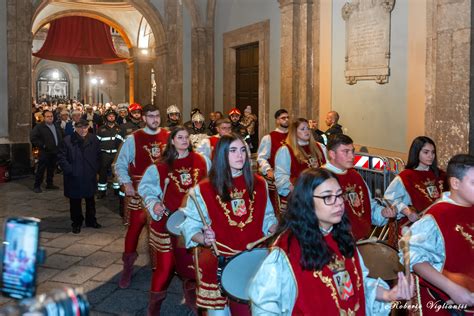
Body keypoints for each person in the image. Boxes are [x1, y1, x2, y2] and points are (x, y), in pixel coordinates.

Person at [249, 168, 414, 315]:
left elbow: (359, 284)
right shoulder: (285, 250)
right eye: (328, 197)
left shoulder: (343, 237)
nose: (339, 203)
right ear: (307, 202)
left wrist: (388, 295)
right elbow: (266, 307)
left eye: (339, 195)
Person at [180, 133, 278, 315]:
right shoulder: (202, 189)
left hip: (252, 262)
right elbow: (189, 225)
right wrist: (203, 238)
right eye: (233, 151)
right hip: (218, 262)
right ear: (222, 155)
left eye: (243, 150)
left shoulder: (259, 183)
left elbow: (268, 216)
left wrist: (273, 227)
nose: (240, 155)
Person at [138, 126, 210, 315]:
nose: (184, 140)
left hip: (196, 222)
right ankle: (154, 306)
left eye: (187, 137)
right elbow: (146, 189)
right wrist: (154, 203)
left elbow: (211, 186)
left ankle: (191, 292)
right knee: (165, 268)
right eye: (180, 137)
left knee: (195, 264)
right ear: (172, 141)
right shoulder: (160, 166)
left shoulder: (202, 161)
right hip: (168, 224)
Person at [404, 154, 474, 315]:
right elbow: (413, 257)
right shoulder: (436, 216)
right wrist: (452, 288)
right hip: (449, 304)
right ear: (455, 183)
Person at [114, 104, 170, 289]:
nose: (155, 119)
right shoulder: (133, 138)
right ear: (144, 118)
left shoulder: (169, 136)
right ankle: (128, 266)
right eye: (151, 116)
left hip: (163, 192)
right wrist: (127, 183)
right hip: (139, 192)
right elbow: (120, 163)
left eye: (157, 115)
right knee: (134, 229)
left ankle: (162, 267)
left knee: (162, 230)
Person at [323, 134, 396, 240]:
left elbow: (369, 206)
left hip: (360, 241)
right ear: (332, 154)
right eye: (346, 151)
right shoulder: (320, 177)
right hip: (334, 243)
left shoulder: (355, 176)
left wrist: (383, 213)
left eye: (352, 151)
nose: (352, 156)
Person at [384, 136, 447, 224]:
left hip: (439, 222)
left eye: (433, 152)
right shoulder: (406, 176)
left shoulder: (441, 175)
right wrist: (408, 212)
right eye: (426, 152)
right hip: (415, 226)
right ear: (416, 153)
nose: (430, 156)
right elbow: (390, 199)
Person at [58, 119, 101, 234]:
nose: (83, 130)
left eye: (85, 127)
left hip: (89, 173)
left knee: (90, 199)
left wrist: (95, 168)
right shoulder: (67, 140)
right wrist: (70, 170)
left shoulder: (93, 139)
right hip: (74, 175)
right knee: (75, 201)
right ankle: (76, 222)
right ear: (75, 128)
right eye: (80, 127)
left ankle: (91, 220)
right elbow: (61, 157)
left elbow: (98, 155)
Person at [274, 118, 326, 212]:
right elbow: (280, 176)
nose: (307, 131)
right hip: (298, 199)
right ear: (294, 132)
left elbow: (327, 169)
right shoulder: (286, 150)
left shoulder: (320, 147)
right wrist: (296, 190)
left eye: (308, 128)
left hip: (320, 197)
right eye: (302, 129)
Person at [257, 109, 289, 215]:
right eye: (283, 118)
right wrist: (268, 169)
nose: (286, 120)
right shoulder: (269, 137)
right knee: (277, 208)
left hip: (291, 177)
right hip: (275, 177)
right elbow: (261, 157)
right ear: (277, 120)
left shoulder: (293, 137)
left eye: (288, 117)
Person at [30, 110, 63, 193]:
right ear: (44, 118)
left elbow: (61, 135)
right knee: (41, 169)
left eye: (51, 116)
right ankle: (37, 185)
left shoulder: (56, 125)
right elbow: (33, 138)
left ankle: (49, 183)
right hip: (45, 152)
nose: (50, 118)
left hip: (55, 151)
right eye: (48, 116)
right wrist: (43, 145)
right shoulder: (39, 127)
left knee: (51, 168)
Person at [96, 109, 124, 199]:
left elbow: (123, 142)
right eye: (109, 116)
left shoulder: (119, 129)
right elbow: (96, 143)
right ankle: (102, 191)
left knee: (116, 172)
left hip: (116, 154)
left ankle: (117, 189)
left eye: (113, 116)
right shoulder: (101, 129)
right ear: (106, 117)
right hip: (105, 155)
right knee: (103, 173)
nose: (111, 117)